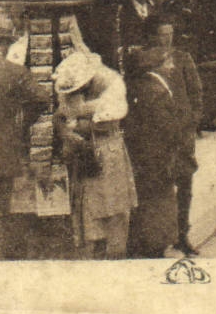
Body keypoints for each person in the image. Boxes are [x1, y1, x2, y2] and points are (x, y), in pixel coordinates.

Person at [54, 51, 137, 259]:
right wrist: (65, 133)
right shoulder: (72, 88)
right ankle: (92, 249)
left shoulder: (111, 83)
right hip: (84, 156)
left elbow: (108, 123)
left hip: (108, 152)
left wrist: (77, 125)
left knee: (112, 205)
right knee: (88, 206)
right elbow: (59, 116)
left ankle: (114, 251)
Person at [0, 10, 47, 260]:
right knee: (0, 209)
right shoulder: (15, 72)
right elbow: (42, 98)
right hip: (4, 148)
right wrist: (21, 123)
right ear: (7, 44)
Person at [123, 47, 191, 258]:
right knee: (160, 198)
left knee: (146, 197)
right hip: (159, 155)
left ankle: (144, 242)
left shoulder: (140, 85)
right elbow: (166, 127)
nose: (172, 66)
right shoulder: (156, 90)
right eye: (168, 62)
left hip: (145, 154)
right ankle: (156, 245)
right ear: (157, 67)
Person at [150, 18, 203, 254]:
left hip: (182, 133)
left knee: (185, 183)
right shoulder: (148, 60)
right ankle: (161, 236)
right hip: (160, 134)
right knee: (161, 186)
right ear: (155, 36)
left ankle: (182, 235)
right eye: (163, 34)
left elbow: (196, 92)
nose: (167, 38)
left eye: (170, 34)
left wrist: (192, 121)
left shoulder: (183, 58)